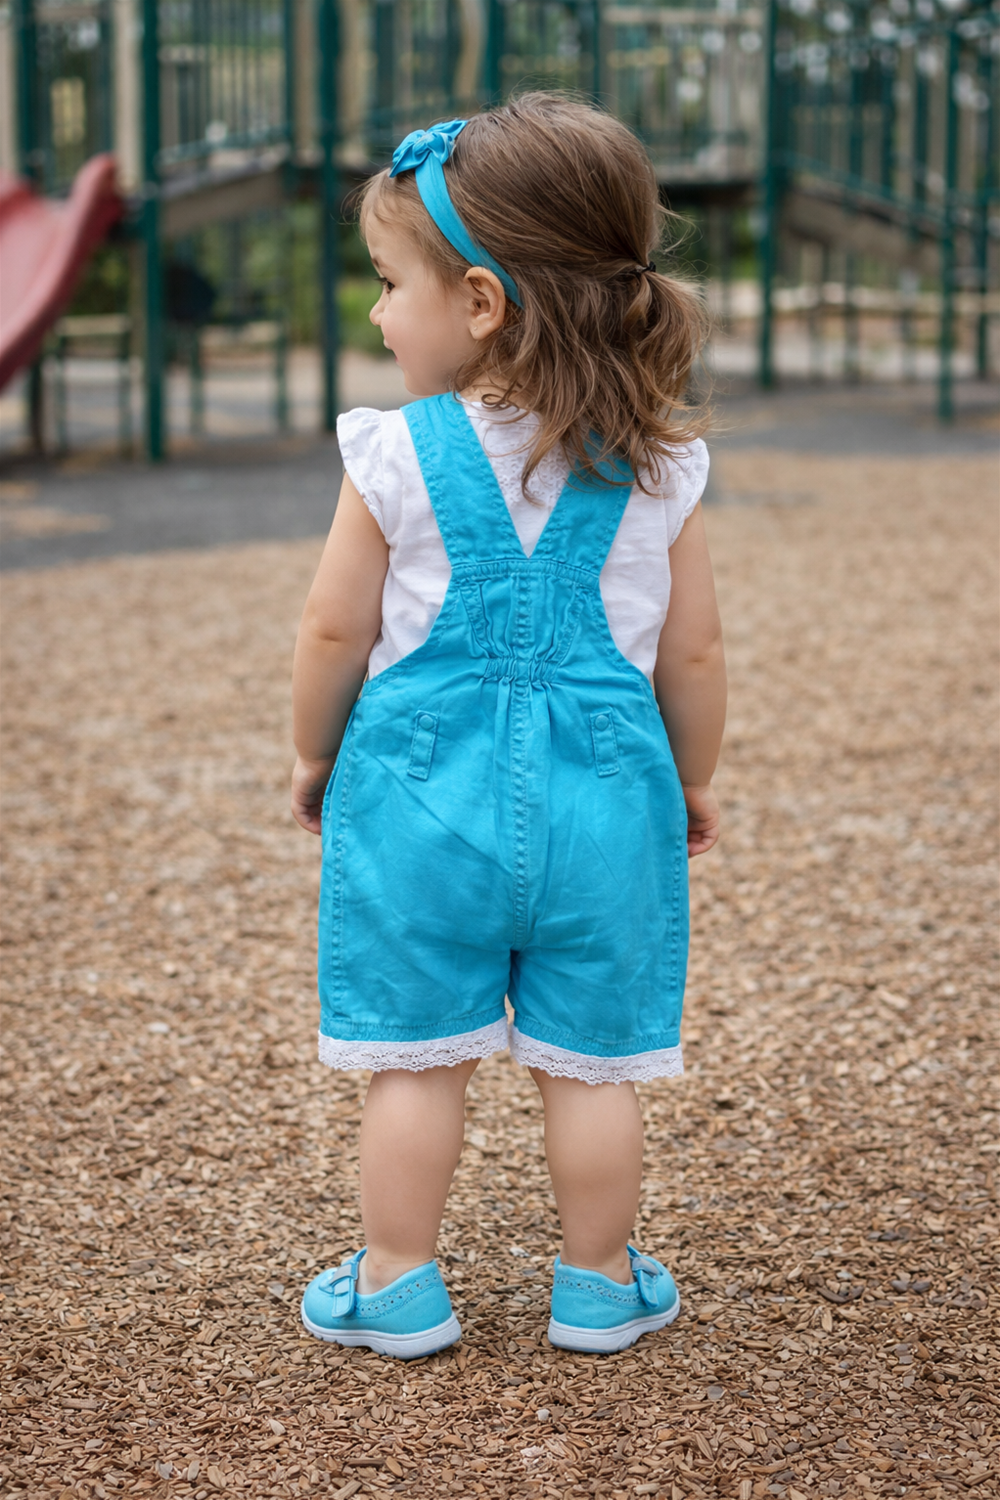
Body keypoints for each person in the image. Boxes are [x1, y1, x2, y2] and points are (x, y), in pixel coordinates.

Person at [290, 94, 726, 1359]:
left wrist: (318, 753)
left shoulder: (391, 456)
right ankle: (596, 1285)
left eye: (385, 284)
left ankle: (397, 1282)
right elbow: (691, 654)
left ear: (478, 302)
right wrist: (688, 782)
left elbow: (333, 635)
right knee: (592, 1064)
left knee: (416, 1062)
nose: (376, 313)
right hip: (606, 808)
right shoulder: (659, 466)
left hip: (422, 806)